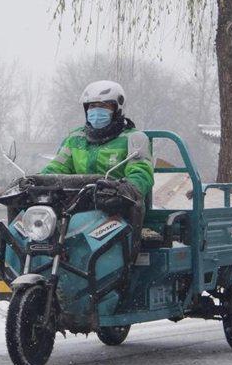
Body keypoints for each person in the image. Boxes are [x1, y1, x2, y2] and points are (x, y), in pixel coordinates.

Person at [41, 80, 154, 251]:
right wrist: (38, 182)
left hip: (115, 211)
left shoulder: (134, 138)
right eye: (92, 106)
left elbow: (141, 173)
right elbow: (55, 169)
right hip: (74, 210)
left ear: (117, 109)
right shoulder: (75, 139)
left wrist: (125, 189)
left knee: (93, 254)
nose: (96, 111)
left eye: (104, 106)